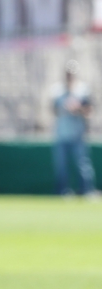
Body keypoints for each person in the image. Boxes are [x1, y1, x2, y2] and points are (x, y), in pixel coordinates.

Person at [50, 65, 98, 197]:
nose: (69, 76)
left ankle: (87, 191)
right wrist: (65, 107)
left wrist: (77, 109)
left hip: (78, 134)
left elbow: (89, 111)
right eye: (67, 74)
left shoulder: (83, 90)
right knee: (61, 166)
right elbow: (52, 110)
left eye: (71, 74)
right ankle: (63, 191)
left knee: (83, 165)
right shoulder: (57, 90)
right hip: (61, 134)